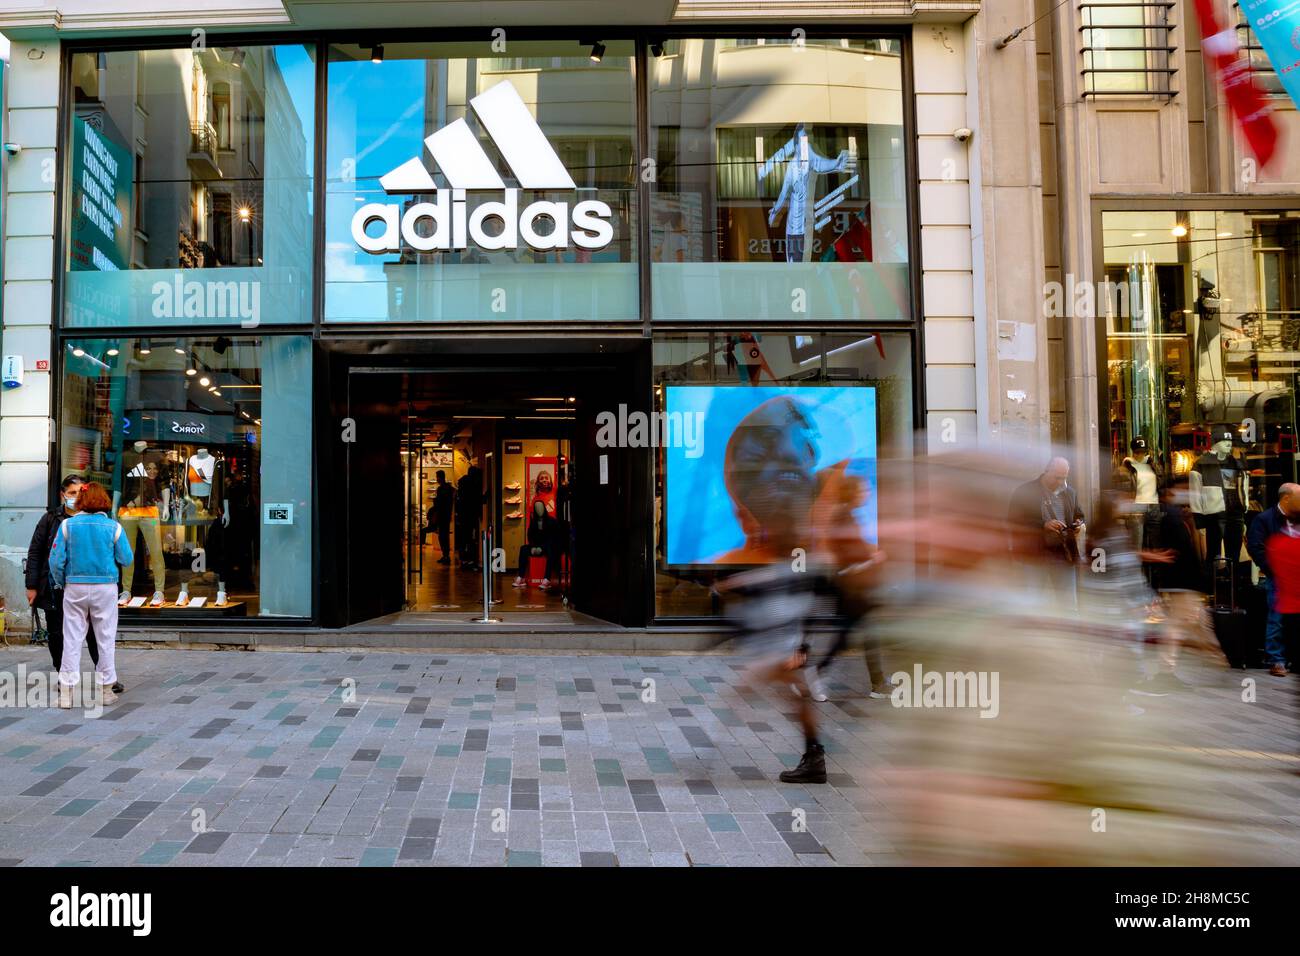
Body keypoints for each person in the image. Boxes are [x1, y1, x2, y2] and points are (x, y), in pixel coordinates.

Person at [24, 476, 120, 690]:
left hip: (89, 585)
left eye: (80, 492)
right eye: (72, 493)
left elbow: (111, 554)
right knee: (58, 633)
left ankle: (105, 677)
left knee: (97, 633)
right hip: (55, 585)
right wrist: (31, 586)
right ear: (63, 495)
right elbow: (36, 552)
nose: (76, 497)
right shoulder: (50, 519)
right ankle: (63, 675)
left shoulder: (101, 519)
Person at [48, 482, 133, 708]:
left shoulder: (67, 525)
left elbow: (55, 561)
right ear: (103, 500)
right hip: (105, 588)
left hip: (74, 586)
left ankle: (66, 693)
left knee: (72, 639)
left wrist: (60, 582)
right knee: (105, 639)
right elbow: (126, 558)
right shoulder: (113, 527)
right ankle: (105, 690)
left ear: (81, 501)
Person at [1009, 457, 1085, 602]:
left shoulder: (1069, 492)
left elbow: (1079, 514)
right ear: (1046, 471)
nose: (1060, 482)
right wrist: (1043, 525)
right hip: (1035, 556)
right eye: (1057, 477)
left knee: (1069, 604)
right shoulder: (1025, 491)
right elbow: (1013, 521)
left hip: (1064, 554)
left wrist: (1078, 523)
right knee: (1033, 603)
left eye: (1064, 478)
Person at [1245, 481, 1299, 677]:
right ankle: (1276, 659)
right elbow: (1256, 547)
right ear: (1286, 498)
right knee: (1277, 618)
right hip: (1279, 577)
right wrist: (1273, 569)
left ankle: (1293, 657)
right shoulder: (1265, 519)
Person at [512, 499, 559, 590]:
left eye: (541, 508)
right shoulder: (533, 522)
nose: (539, 510)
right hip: (536, 547)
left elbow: (553, 538)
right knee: (524, 549)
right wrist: (533, 547)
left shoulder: (552, 521)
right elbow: (530, 537)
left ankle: (547, 579)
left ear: (544, 509)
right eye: (537, 508)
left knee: (551, 549)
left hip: (547, 547)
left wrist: (542, 548)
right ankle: (521, 577)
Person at [455, 463, 484, 570]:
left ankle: (464, 559)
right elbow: (478, 499)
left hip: (463, 514)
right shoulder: (474, 484)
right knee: (471, 538)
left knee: (464, 538)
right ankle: (471, 560)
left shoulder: (462, 483)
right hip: (471, 514)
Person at [429, 470, 455, 564]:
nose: (437, 479)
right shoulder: (450, 488)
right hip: (446, 515)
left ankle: (446, 555)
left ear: (440, 477)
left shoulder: (441, 489)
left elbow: (439, 503)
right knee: (444, 536)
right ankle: (445, 555)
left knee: (442, 536)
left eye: (437, 477)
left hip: (442, 515)